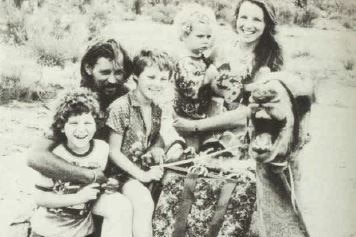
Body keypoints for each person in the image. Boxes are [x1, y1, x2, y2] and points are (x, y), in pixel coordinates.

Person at [27, 39, 134, 236]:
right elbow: (36, 156)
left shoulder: (126, 97)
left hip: (110, 184)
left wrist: (157, 147)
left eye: (118, 72)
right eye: (105, 72)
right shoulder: (77, 102)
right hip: (70, 191)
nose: (113, 80)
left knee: (124, 208)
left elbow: (151, 132)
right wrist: (89, 176)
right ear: (88, 67)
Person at [106, 49, 185, 237]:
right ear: (135, 77)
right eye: (151, 77)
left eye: (163, 79)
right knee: (143, 202)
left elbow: (153, 137)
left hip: (141, 170)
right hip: (119, 174)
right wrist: (142, 175)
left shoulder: (155, 108)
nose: (157, 84)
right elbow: (113, 152)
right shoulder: (121, 107)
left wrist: (157, 147)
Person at [173, 0, 283, 134]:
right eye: (243, 17)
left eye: (257, 20)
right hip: (200, 123)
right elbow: (193, 84)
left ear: (267, 24)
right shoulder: (221, 49)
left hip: (239, 133)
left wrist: (196, 125)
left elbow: (252, 111)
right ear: (236, 18)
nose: (248, 25)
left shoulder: (269, 61)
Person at [172, 4, 219, 151]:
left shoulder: (202, 59)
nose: (205, 41)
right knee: (190, 149)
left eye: (208, 36)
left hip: (201, 115)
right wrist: (208, 77)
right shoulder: (183, 61)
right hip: (184, 117)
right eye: (200, 36)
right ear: (185, 35)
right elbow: (190, 91)